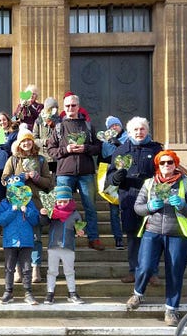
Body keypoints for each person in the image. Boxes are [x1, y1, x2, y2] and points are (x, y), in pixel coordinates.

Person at [126, 150, 187, 326]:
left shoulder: (186, 183)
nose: (166, 165)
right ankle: (138, 294)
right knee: (145, 266)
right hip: (152, 231)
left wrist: (182, 205)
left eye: (170, 162)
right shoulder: (149, 183)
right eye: (162, 162)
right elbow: (138, 207)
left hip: (177, 233)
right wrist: (149, 207)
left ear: (175, 164)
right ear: (157, 165)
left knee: (175, 272)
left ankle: (171, 309)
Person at [105, 116, 163, 283]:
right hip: (129, 197)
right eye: (135, 130)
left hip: (151, 198)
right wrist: (117, 176)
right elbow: (110, 178)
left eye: (142, 129)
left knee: (152, 236)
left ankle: (152, 272)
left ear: (147, 131)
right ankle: (134, 271)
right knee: (132, 236)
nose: (139, 132)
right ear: (129, 132)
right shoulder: (121, 151)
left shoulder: (156, 149)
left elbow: (164, 172)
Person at [46, 93, 105, 251]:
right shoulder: (59, 127)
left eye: (73, 105)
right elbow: (51, 150)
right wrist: (66, 149)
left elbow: (98, 147)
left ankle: (93, 238)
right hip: (65, 173)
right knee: (61, 207)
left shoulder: (88, 126)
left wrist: (85, 148)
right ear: (64, 108)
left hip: (86, 172)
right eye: (67, 106)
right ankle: (62, 239)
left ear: (78, 107)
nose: (70, 108)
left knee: (90, 206)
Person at [1, 124, 54, 283]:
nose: (26, 143)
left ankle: (35, 268)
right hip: (18, 204)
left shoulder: (41, 159)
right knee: (18, 237)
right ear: (18, 143)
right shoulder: (13, 160)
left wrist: (36, 177)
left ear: (33, 142)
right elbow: (4, 180)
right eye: (23, 141)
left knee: (36, 238)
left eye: (29, 140)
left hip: (36, 205)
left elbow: (49, 183)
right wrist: (21, 178)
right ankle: (18, 269)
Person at [0, 176, 40, 305]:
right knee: (9, 267)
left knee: (27, 268)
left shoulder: (29, 203)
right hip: (10, 241)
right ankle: (8, 292)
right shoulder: (4, 203)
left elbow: (36, 220)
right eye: (14, 190)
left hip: (26, 240)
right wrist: (12, 210)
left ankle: (28, 292)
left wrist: (28, 211)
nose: (17, 192)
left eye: (20, 189)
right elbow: (0, 220)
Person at [40, 185, 87, 305]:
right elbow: (43, 223)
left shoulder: (75, 214)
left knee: (70, 271)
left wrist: (80, 231)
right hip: (53, 246)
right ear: (55, 201)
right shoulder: (51, 212)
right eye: (59, 201)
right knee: (52, 271)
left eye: (65, 201)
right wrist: (43, 214)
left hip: (68, 247)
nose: (62, 204)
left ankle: (72, 293)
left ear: (70, 200)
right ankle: (50, 293)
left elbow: (80, 227)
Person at [100, 115, 128, 251]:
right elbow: (103, 159)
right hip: (112, 178)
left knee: (127, 208)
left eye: (116, 125)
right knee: (114, 210)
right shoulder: (105, 142)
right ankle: (118, 238)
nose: (114, 128)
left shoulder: (129, 138)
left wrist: (118, 145)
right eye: (111, 126)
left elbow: (130, 155)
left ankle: (131, 236)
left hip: (127, 177)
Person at [0, 112, 19, 209]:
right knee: (0, 194)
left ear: (8, 120)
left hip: (9, 168)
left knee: (11, 194)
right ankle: (2, 213)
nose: (2, 122)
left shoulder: (14, 134)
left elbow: (14, 150)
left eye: (4, 119)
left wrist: (3, 144)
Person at [33, 96, 60, 174]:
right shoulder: (39, 121)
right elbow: (34, 139)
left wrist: (54, 127)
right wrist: (45, 142)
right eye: (51, 108)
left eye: (55, 108)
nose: (53, 111)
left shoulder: (60, 121)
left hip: (56, 157)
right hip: (43, 156)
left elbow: (62, 137)